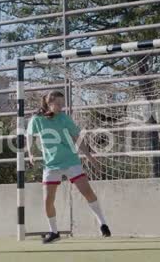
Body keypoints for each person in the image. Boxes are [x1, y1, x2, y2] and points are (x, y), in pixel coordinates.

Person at [27, 90, 111, 244]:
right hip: (51, 165)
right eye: (58, 104)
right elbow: (30, 136)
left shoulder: (65, 118)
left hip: (71, 161)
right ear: (48, 103)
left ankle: (103, 224)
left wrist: (90, 157)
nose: (61, 107)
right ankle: (54, 232)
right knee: (48, 200)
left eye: (62, 104)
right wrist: (30, 153)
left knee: (87, 192)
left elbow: (77, 138)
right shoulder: (36, 119)